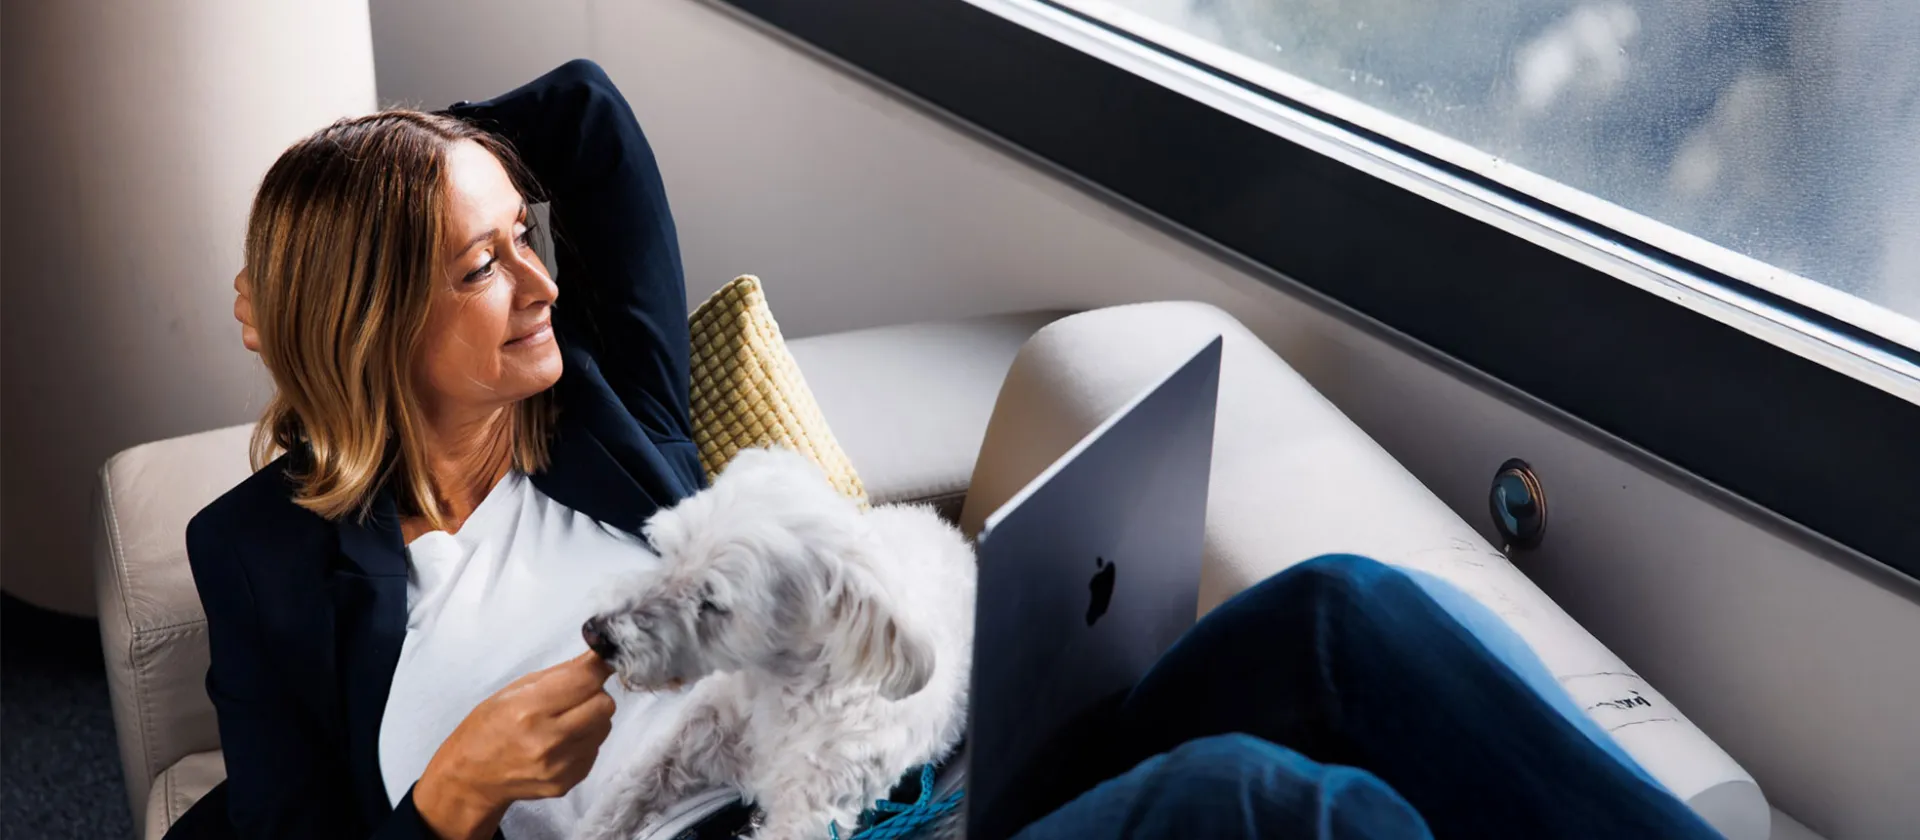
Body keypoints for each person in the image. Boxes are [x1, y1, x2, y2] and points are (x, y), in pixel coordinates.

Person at [174, 59, 1721, 840]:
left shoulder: (602, 404)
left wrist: (398, 176)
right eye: (478, 267)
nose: (543, 283)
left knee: (1344, 616)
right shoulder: (267, 562)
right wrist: (449, 799)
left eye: (527, 239)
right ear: (372, 320)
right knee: (1255, 802)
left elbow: (584, 115)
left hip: (940, 749)